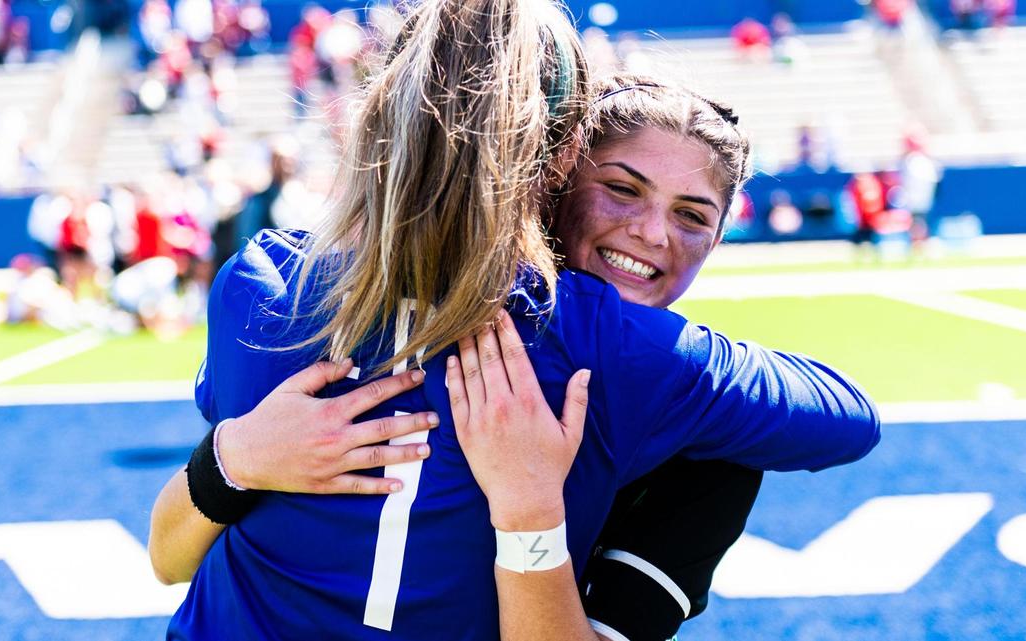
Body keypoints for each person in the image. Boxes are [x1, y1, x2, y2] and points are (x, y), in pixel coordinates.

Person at [153, 2, 879, 639]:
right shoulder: (616, 346)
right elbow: (849, 417)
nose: (652, 232)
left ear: (378, 113)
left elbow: (168, 560)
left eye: (691, 214)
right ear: (561, 163)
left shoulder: (261, 282)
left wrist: (229, 457)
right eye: (621, 187)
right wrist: (531, 512)